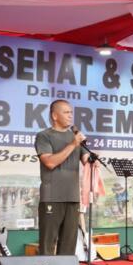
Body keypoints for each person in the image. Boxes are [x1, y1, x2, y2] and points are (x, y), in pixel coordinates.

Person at [34, 99, 88, 255]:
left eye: (71, 112)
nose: (70, 115)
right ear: (54, 116)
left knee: (68, 245)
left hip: (73, 197)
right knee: (47, 244)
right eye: (66, 112)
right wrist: (72, 144)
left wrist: (93, 161)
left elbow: (86, 160)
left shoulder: (76, 137)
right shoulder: (44, 136)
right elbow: (50, 162)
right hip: (52, 197)